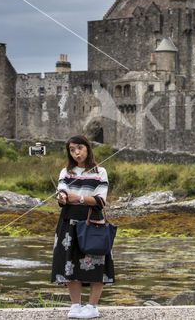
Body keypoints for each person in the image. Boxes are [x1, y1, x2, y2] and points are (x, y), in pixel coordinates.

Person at [51, 135, 114, 319]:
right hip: (68, 222)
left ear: (87, 148)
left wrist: (77, 198)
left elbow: (100, 200)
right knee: (69, 264)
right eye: (72, 149)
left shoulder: (100, 172)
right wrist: (62, 197)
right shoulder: (65, 172)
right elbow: (62, 192)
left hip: (92, 222)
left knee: (96, 263)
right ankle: (76, 305)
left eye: (79, 148)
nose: (76, 152)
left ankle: (92, 306)